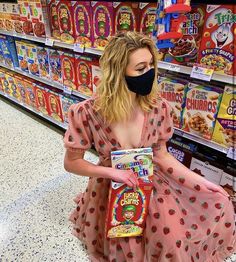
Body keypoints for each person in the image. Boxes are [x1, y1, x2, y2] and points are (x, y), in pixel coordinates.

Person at [63, 32, 235, 262]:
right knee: (124, 238)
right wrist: (112, 172)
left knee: (171, 235)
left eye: (152, 65)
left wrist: (204, 182)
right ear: (117, 72)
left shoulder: (158, 107)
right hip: (110, 187)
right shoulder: (85, 112)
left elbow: (162, 156)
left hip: (152, 180)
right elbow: (71, 163)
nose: (149, 73)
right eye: (140, 68)